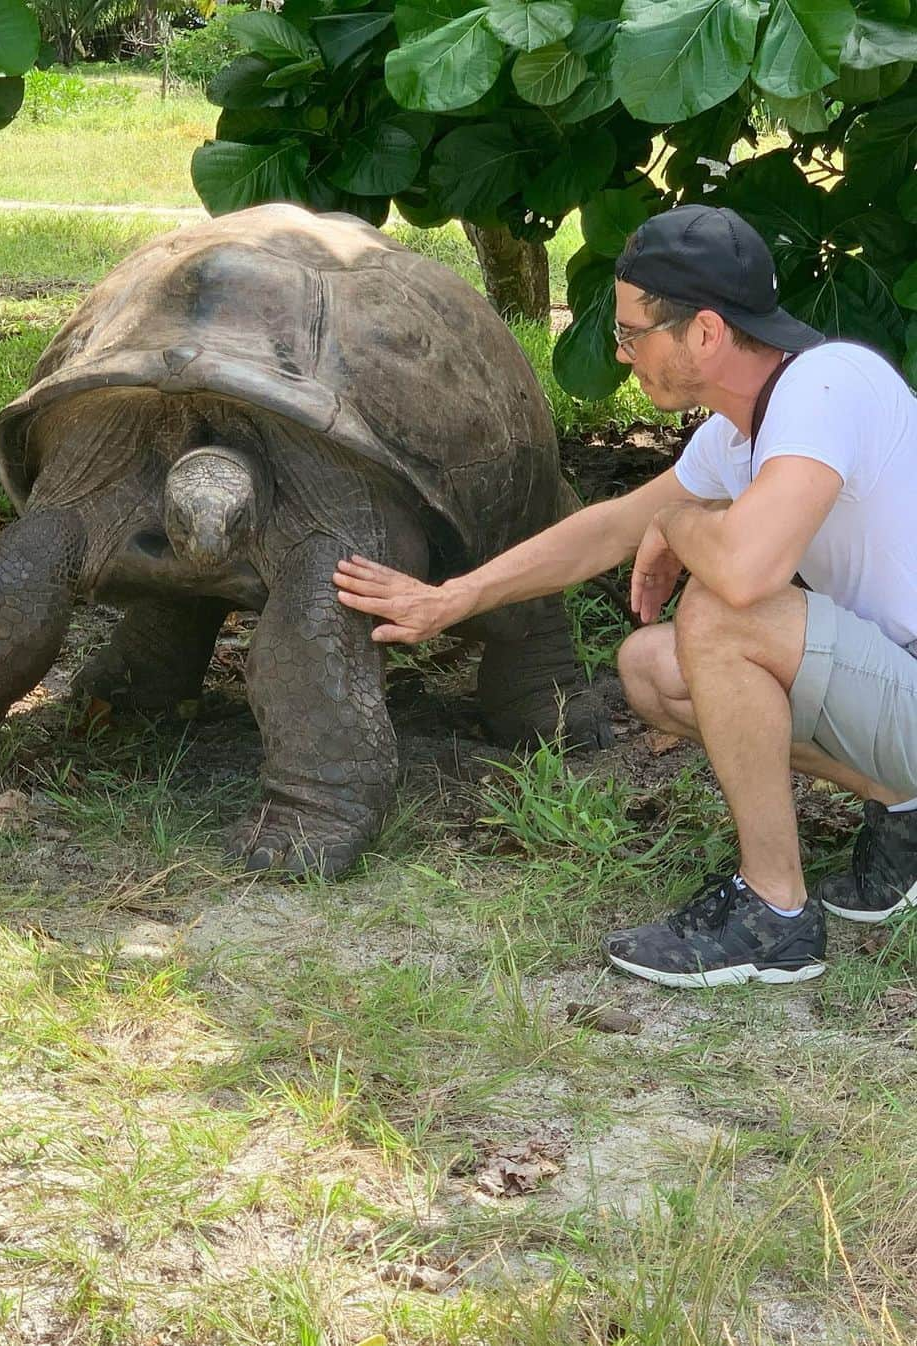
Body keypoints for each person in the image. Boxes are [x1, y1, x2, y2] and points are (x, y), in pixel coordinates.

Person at [333, 204, 917, 990]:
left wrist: (680, 525)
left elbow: (745, 575)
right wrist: (451, 599)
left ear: (705, 333)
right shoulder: (743, 433)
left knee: (717, 611)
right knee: (653, 666)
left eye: (634, 331)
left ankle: (775, 917)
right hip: (898, 685)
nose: (620, 350)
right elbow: (606, 530)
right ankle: (905, 811)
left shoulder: (825, 385)